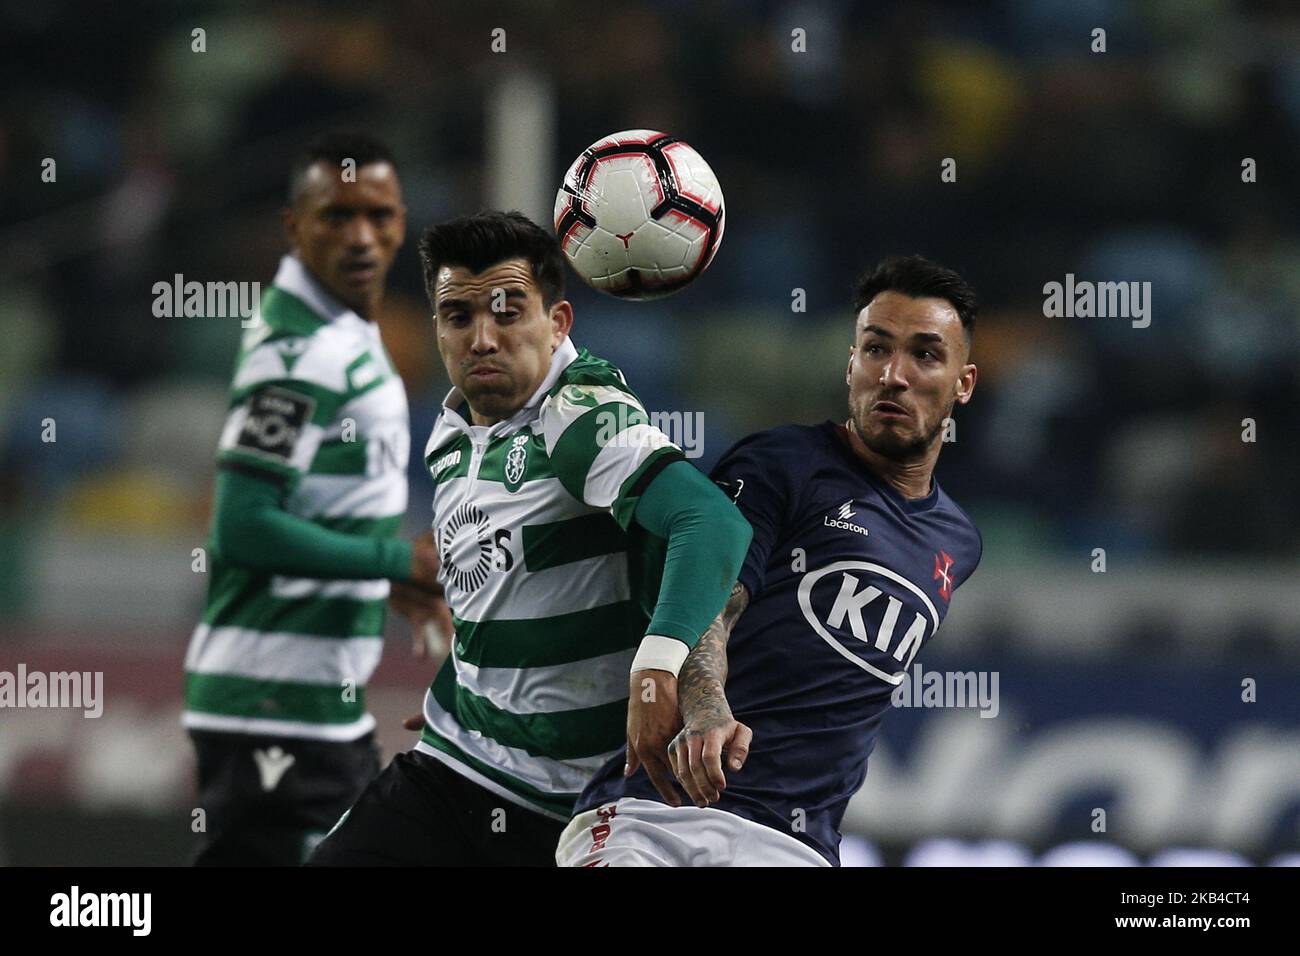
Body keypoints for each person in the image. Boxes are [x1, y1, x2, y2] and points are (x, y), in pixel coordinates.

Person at [306, 210, 751, 866]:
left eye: (508, 313)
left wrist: (657, 667)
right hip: (456, 768)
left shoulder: (578, 415)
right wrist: (466, 687)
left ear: (558, 323)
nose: (483, 338)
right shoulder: (453, 426)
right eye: (459, 317)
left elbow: (711, 522)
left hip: (573, 807)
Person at [558, 255, 984, 866]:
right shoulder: (782, 463)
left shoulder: (958, 542)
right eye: (875, 349)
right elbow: (711, 597)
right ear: (850, 366)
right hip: (659, 816)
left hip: (793, 847)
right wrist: (705, 705)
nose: (893, 375)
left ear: (963, 383)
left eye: (924, 355)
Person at [183, 131, 443, 865]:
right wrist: (397, 557)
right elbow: (242, 526)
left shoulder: (342, 330)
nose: (362, 236)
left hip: (308, 698)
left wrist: (385, 573)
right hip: (276, 698)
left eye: (381, 215)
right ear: (295, 227)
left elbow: (318, 506)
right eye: (337, 216)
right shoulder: (300, 355)